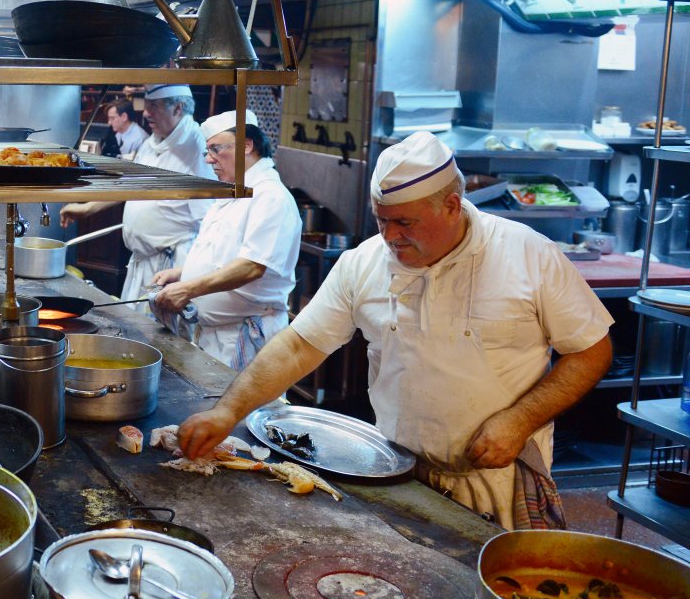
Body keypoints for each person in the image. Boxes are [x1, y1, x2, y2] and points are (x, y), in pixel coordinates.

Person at [178, 132, 613, 528]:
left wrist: (519, 420)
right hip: (397, 471)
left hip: (499, 476)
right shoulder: (363, 263)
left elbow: (591, 352)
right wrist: (227, 411)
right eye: (381, 220)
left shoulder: (527, 254)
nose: (390, 236)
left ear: (451, 205)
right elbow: (297, 346)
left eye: (405, 223)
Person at [150, 111, 299, 370]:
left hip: (243, 337)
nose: (208, 159)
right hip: (215, 336)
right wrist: (183, 273)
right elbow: (226, 255)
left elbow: (252, 266)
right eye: (207, 151)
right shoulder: (234, 193)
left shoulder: (271, 196)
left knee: (240, 411)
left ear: (246, 145)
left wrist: (189, 288)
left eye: (215, 149)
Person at [61, 83, 214, 301]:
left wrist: (191, 277)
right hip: (142, 262)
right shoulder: (152, 142)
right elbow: (130, 185)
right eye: (146, 105)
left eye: (154, 106)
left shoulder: (196, 148)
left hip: (170, 267)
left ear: (178, 108)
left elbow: (206, 221)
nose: (145, 112)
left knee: (160, 332)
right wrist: (88, 208)